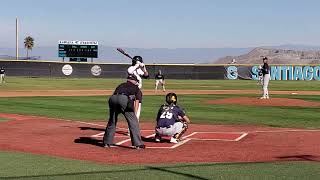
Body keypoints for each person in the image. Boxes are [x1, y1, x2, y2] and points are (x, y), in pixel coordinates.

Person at [103, 75, 145, 149]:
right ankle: (138, 144)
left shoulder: (121, 85)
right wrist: (134, 114)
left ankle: (107, 142)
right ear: (135, 81)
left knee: (112, 121)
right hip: (123, 99)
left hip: (112, 99)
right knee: (133, 122)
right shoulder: (136, 88)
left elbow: (115, 95)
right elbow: (137, 101)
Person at [127, 56, 149, 120]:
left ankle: (135, 122)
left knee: (138, 108)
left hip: (138, 90)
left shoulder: (139, 70)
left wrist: (144, 68)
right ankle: (132, 123)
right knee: (132, 108)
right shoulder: (131, 68)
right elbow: (130, 72)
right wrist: (137, 65)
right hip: (131, 90)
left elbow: (146, 76)